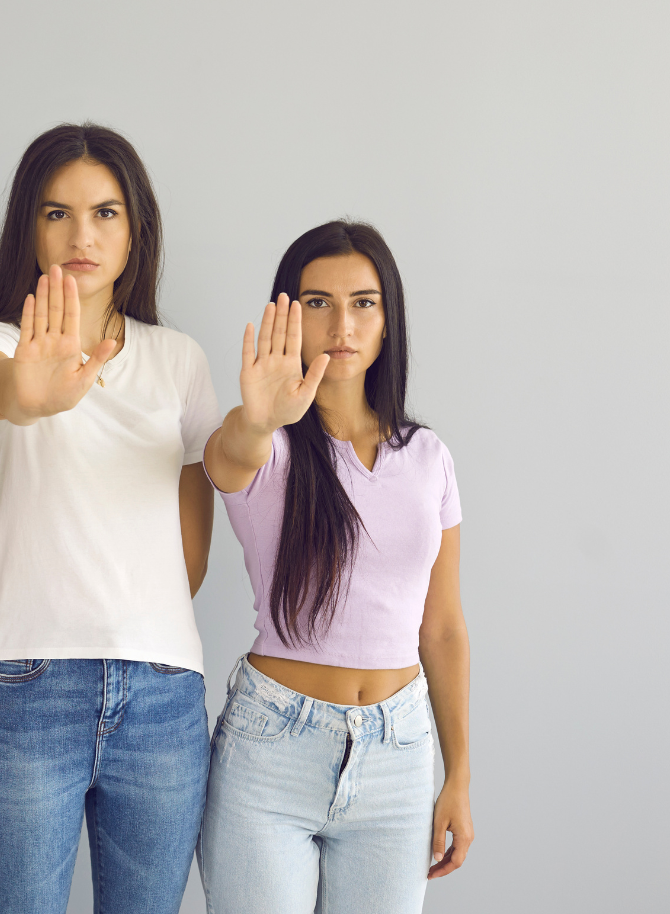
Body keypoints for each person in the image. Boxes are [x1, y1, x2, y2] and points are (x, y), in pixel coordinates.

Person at [0, 123, 218, 914]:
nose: (81, 235)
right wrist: (30, 394)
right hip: (28, 685)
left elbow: (189, 556)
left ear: (136, 230)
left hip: (164, 694)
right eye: (56, 213)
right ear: (27, 229)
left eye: (105, 213)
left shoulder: (180, 360)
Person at [197, 220, 472, 913]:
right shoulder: (266, 445)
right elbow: (226, 454)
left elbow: (441, 629)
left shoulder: (428, 457)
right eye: (317, 302)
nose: (341, 323)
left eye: (363, 303)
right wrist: (259, 419)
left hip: (400, 753)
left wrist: (458, 772)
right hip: (272, 751)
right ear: (287, 316)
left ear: (388, 321)